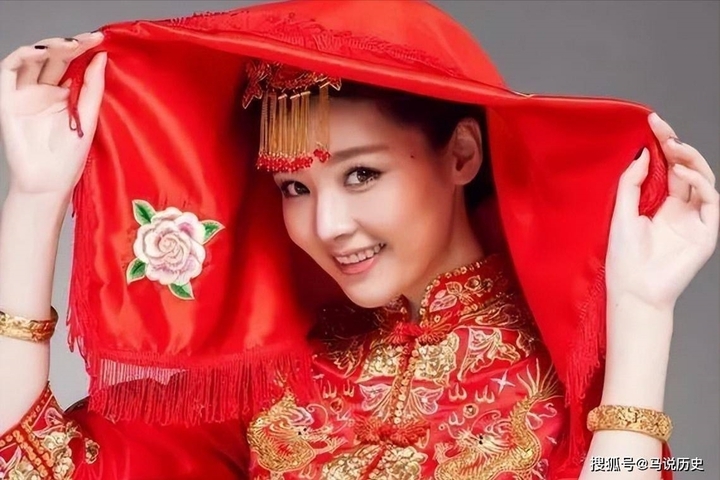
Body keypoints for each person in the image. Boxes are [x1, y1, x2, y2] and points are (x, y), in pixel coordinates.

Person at [0, 1, 717, 479]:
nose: (327, 225)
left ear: (462, 155)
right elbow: (34, 462)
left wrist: (643, 312)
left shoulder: (567, 378)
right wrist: (35, 199)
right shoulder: (278, 381)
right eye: (295, 188)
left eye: (362, 174)